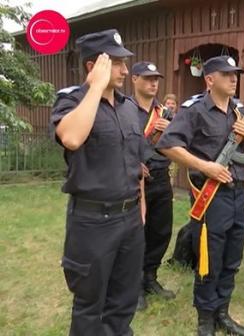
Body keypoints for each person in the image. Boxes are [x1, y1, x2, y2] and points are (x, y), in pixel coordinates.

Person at [156, 56, 244, 336]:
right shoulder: (194, 111)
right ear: (210, 79)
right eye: (227, 74)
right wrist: (205, 166)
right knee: (210, 259)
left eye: (236, 74)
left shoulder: (241, 112)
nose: (234, 79)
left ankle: (223, 312)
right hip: (211, 199)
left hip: (238, 197)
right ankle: (206, 318)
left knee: (232, 258)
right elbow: (167, 144)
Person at [50, 29, 145, 335]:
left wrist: (140, 207)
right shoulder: (72, 101)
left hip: (130, 218)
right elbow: (72, 137)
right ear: (94, 66)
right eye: (117, 63)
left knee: (124, 300)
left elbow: (136, 164)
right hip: (93, 222)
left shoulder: (130, 107)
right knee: (90, 306)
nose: (125, 70)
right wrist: (95, 89)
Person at [130, 61, 176, 311]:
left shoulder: (164, 112)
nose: (153, 83)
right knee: (137, 234)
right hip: (135, 180)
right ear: (134, 79)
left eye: (156, 78)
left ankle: (150, 277)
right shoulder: (123, 109)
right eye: (148, 78)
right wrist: (133, 163)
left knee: (161, 231)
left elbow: (177, 142)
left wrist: (170, 130)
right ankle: (134, 285)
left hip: (161, 177)